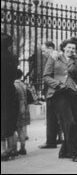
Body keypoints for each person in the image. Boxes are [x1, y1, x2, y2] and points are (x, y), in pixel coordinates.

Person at [43, 38, 77, 162]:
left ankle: (64, 150)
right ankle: (75, 152)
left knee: (76, 122)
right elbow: (46, 76)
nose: (71, 50)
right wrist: (59, 85)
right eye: (69, 47)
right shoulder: (54, 57)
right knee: (69, 122)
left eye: (73, 48)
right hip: (58, 93)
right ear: (64, 47)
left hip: (73, 93)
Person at [1, 33, 19, 162]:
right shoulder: (13, 58)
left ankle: (2, 151)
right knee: (10, 120)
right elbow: (16, 74)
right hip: (10, 91)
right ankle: (12, 149)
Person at [14, 69, 31, 156]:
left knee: (16, 128)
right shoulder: (23, 84)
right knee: (22, 128)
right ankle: (23, 147)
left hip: (19, 106)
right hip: (25, 105)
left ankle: (15, 149)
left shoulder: (15, 84)